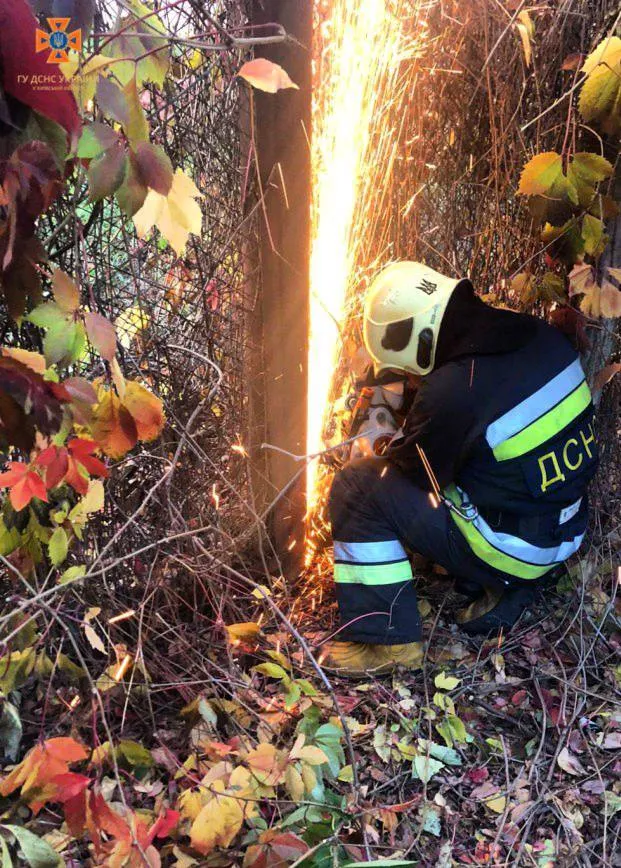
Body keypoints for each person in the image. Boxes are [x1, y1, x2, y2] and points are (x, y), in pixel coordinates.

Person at [322, 261, 598, 677]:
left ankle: (388, 641)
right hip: (568, 528)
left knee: (358, 487)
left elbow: (416, 476)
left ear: (418, 338)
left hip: (517, 549)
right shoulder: (537, 336)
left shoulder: (455, 389)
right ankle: (507, 586)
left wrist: (380, 441)